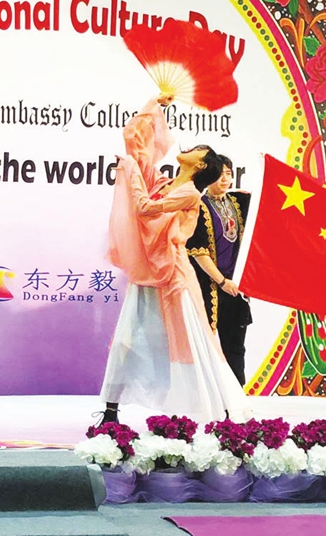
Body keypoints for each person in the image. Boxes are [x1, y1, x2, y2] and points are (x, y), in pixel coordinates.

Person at [98, 94, 249, 425]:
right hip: (151, 272)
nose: (189, 147)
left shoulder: (189, 193)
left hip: (172, 276)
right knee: (128, 336)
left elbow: (143, 208)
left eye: (198, 149)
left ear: (199, 164)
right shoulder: (166, 184)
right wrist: (155, 107)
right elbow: (137, 147)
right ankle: (110, 409)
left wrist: (129, 170)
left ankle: (213, 408)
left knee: (190, 343)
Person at [187, 155, 252, 386]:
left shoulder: (240, 203)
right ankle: (209, 401)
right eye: (220, 173)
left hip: (238, 289)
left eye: (228, 173)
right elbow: (198, 251)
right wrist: (222, 281)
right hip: (209, 288)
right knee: (207, 347)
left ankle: (236, 403)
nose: (225, 178)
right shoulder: (198, 205)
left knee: (236, 347)